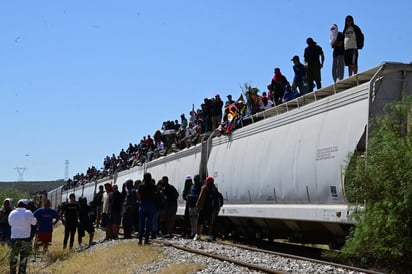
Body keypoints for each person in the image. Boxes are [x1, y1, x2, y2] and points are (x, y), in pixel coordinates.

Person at [8, 199, 37, 274]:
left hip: (14, 238)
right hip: (25, 239)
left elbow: (10, 223)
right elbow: (34, 223)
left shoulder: (12, 212)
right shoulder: (28, 212)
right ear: (26, 205)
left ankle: (12, 272)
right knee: (23, 258)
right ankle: (21, 272)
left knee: (14, 257)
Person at [194, 176, 223, 242]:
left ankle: (198, 235)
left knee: (199, 222)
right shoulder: (214, 189)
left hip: (203, 208)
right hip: (211, 208)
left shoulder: (204, 188)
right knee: (210, 223)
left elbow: (200, 197)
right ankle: (210, 236)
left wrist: (197, 205)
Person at [137, 172, 157, 245]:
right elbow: (156, 194)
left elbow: (138, 196)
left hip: (143, 204)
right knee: (149, 223)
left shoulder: (141, 186)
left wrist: (139, 200)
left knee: (141, 223)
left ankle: (140, 239)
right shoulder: (154, 186)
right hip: (151, 204)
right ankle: (146, 239)